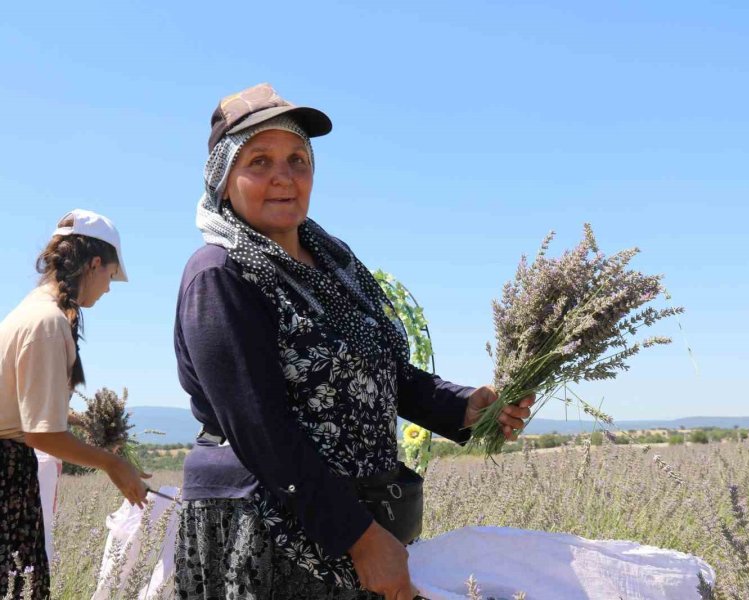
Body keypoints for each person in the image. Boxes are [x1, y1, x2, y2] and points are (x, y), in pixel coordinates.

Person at [174, 83, 535, 600]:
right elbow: (261, 431)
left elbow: (384, 373)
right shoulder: (220, 274)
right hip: (265, 525)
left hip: (349, 519)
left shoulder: (333, 262)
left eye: (298, 159)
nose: (283, 176)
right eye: (259, 161)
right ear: (223, 179)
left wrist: (466, 408)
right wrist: (362, 541)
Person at [0, 209, 150, 598]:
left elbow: (20, 403)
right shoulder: (47, 324)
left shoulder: (30, 311)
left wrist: (79, 421)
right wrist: (113, 463)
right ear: (95, 264)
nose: (108, 288)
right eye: (111, 276)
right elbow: (41, 433)